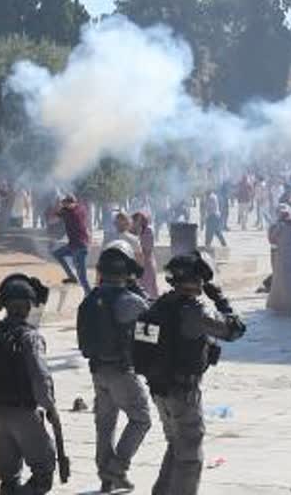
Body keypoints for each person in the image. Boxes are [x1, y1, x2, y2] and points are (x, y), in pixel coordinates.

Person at [134, 251, 245, 495]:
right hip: (183, 391)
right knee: (190, 455)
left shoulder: (159, 305)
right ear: (197, 280)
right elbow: (235, 330)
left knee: (175, 446)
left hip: (158, 388)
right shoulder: (195, 311)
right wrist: (221, 299)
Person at [0, 274, 59, 494]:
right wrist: (50, 406)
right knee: (43, 474)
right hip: (25, 413)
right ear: (29, 306)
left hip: (0, 415)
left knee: (8, 478)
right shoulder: (30, 337)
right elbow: (40, 375)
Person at [77, 243, 152, 493]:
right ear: (126, 270)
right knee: (141, 419)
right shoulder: (129, 300)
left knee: (105, 425)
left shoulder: (91, 299)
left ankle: (105, 477)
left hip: (97, 370)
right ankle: (118, 467)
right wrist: (137, 286)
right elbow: (151, 324)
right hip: (122, 370)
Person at [267, 205, 291, 316]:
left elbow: (271, 240)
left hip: (281, 254)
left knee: (281, 279)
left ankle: (282, 303)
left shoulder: (278, 226)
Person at [52, 194, 91, 294]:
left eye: (66, 203)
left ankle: (90, 296)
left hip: (79, 247)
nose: (64, 204)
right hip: (75, 245)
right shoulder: (81, 208)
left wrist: (58, 203)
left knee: (82, 278)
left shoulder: (70, 213)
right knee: (57, 254)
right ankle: (72, 277)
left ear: (71, 203)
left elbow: (55, 215)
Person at [132, 211, 159, 299]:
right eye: (135, 220)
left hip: (146, 265)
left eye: (139, 220)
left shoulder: (148, 231)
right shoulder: (131, 232)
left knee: (148, 293)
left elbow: (147, 250)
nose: (136, 223)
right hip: (136, 266)